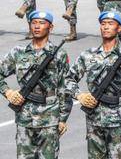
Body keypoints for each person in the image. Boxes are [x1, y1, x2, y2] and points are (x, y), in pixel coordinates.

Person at [65, 11, 121, 159]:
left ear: (119, 29)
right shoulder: (88, 55)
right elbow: (67, 79)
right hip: (94, 120)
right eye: (103, 24)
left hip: (118, 121)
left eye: (110, 24)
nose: (106, 27)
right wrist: (80, 95)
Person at [0, 11, 71, 159]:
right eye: (34, 23)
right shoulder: (18, 53)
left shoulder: (59, 54)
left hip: (50, 119)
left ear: (50, 27)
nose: (37, 26)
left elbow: (66, 86)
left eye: (42, 23)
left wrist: (63, 119)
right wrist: (8, 92)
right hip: (24, 119)